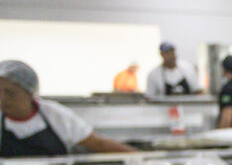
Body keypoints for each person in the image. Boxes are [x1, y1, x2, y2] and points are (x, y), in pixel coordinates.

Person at [0, 60, 136, 156]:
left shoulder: (54, 115)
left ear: (30, 93)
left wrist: (144, 158)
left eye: (10, 93)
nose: (2, 99)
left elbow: (98, 144)